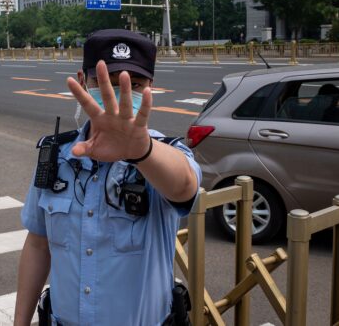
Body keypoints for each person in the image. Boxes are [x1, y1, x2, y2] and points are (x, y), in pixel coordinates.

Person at [14, 29, 201, 326]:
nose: (118, 95)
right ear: (84, 81)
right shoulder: (57, 156)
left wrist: (141, 152)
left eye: (134, 84)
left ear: (151, 87)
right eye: (106, 83)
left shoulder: (163, 155)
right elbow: (38, 244)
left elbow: (185, 188)